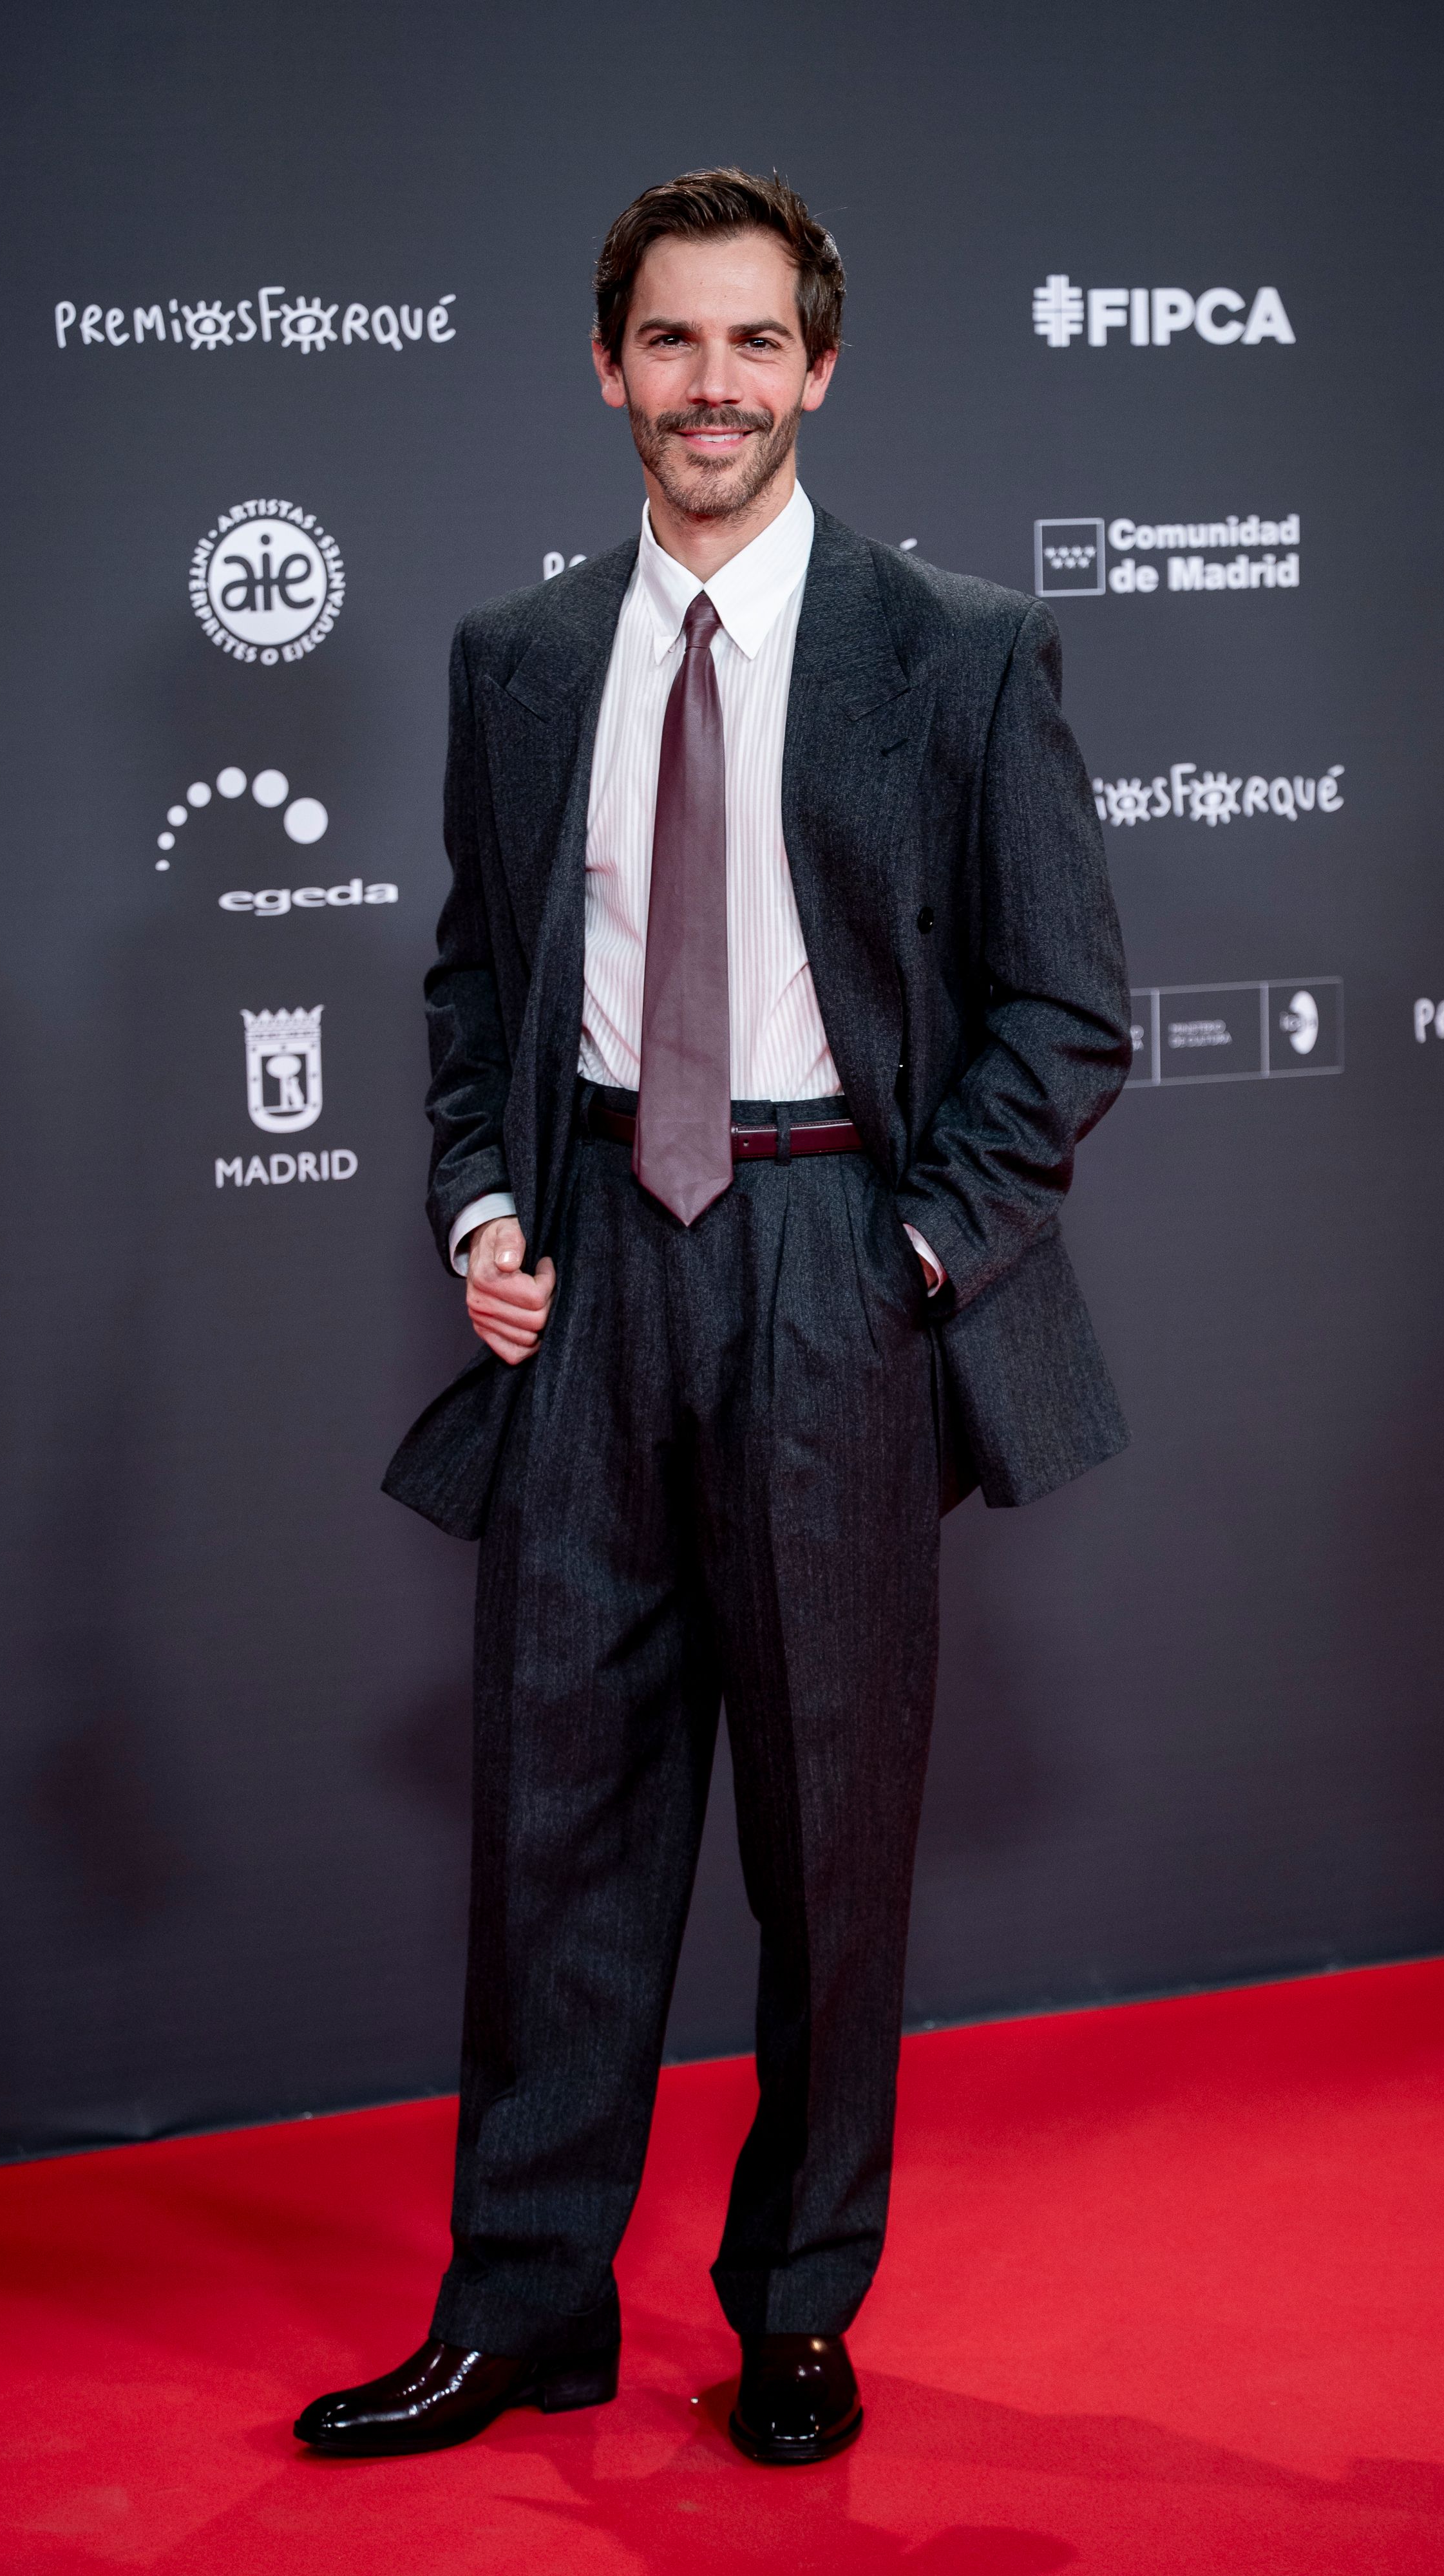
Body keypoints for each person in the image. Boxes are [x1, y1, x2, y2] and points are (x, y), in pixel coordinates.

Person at [296, 167, 1130, 2468]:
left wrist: (919, 1257)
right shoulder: (518, 656)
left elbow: (1066, 1010)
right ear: (605, 367)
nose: (712, 387)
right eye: (671, 343)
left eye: (753, 344)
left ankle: (794, 2301)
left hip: (832, 1260)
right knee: (556, 1816)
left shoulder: (950, 646)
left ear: (818, 371)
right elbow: (477, 983)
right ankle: (525, 2300)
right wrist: (476, 1199)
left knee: (827, 1830)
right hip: (583, 1281)